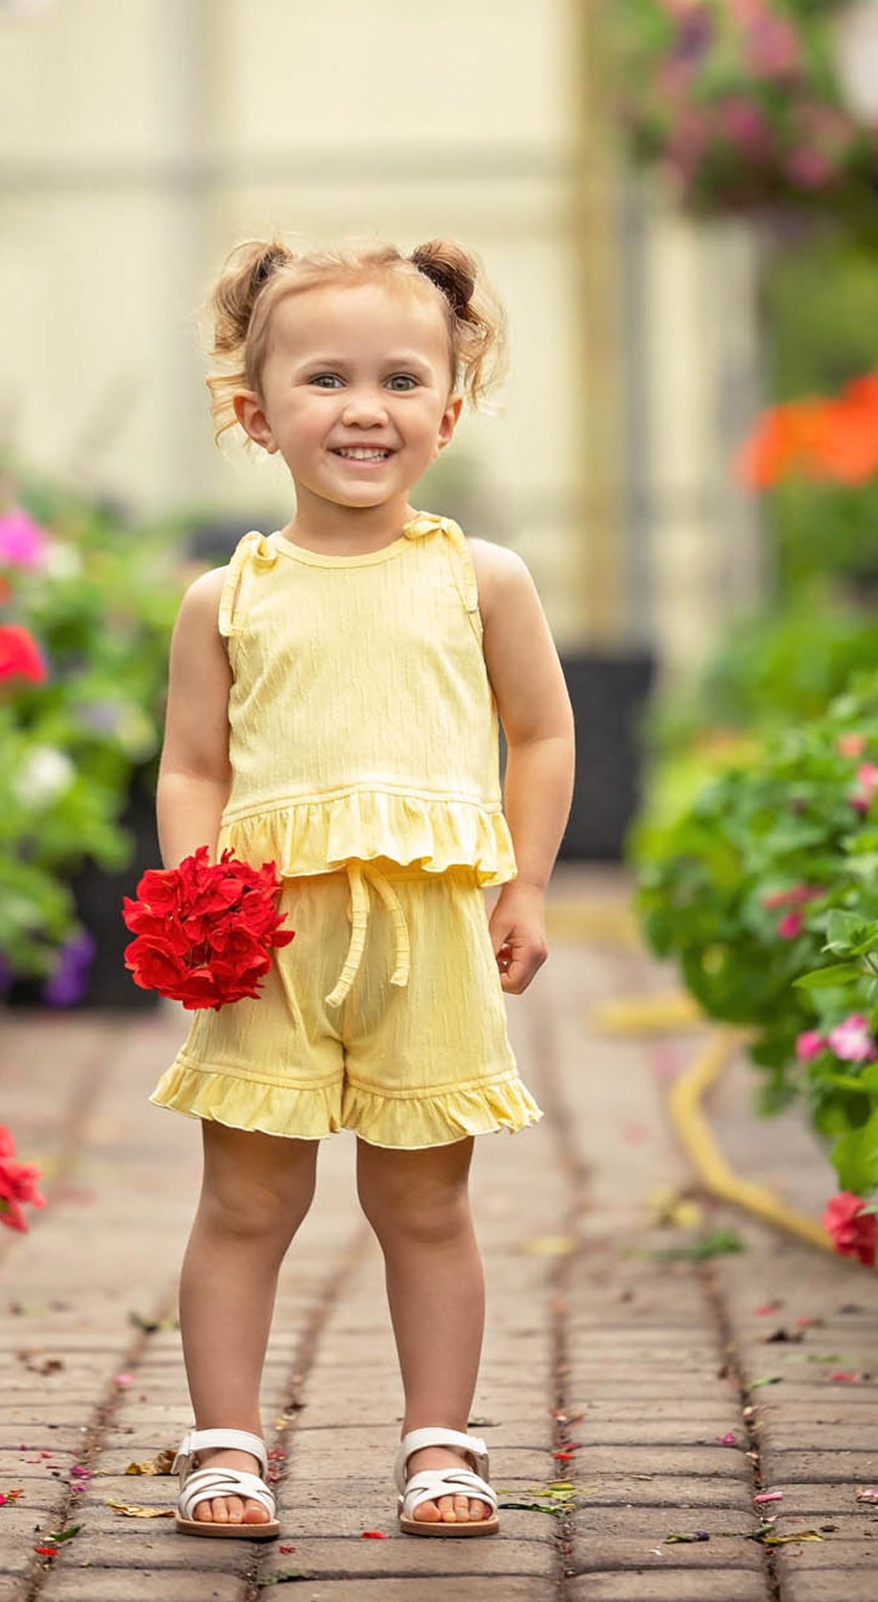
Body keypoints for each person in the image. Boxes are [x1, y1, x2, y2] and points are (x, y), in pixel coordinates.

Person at [150, 236, 575, 1540]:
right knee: (247, 1198)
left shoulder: (479, 579)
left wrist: (528, 885)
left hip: (429, 939)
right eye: (323, 378)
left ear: (448, 409)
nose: (362, 408)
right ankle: (225, 1443)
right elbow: (193, 765)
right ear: (254, 411)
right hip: (271, 940)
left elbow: (544, 733)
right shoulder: (227, 597)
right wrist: (196, 894)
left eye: (401, 380)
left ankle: (440, 1442)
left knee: (424, 1200)